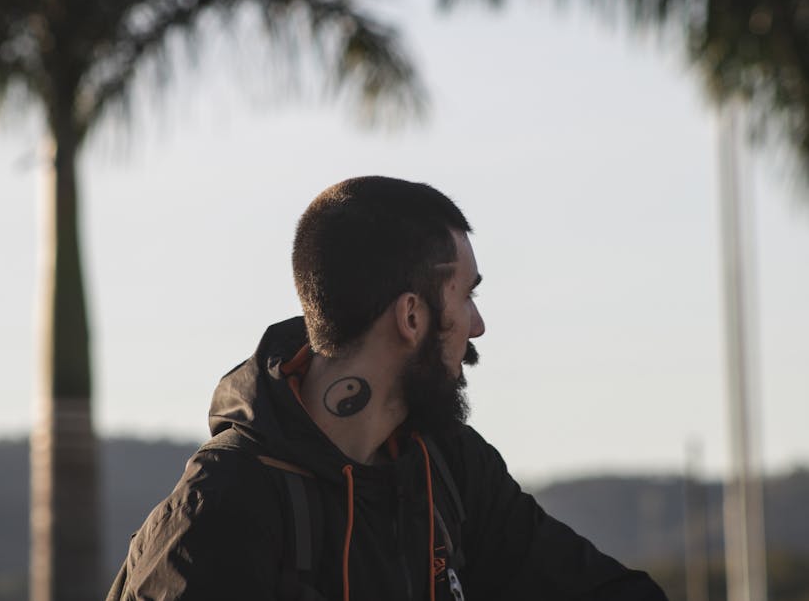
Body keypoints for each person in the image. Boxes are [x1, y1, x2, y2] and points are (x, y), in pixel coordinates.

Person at [106, 176, 668, 601]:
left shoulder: (450, 468)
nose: (477, 326)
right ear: (411, 316)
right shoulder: (221, 511)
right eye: (466, 295)